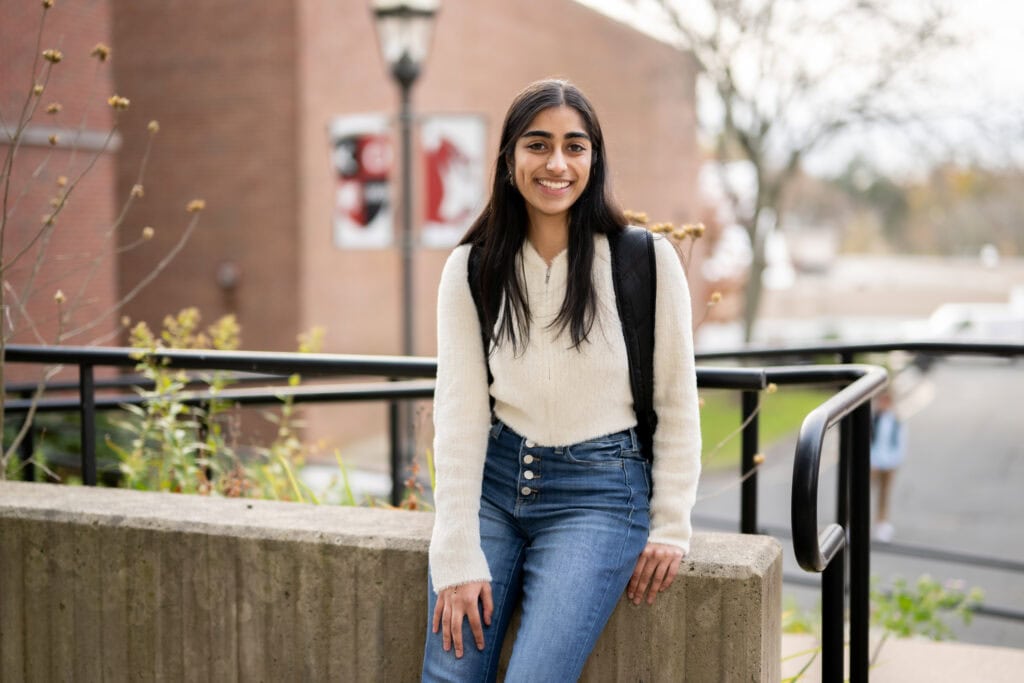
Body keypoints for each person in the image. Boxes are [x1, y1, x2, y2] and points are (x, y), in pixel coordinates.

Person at [421, 79, 702, 682]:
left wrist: (672, 525)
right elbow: (461, 414)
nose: (556, 164)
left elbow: (677, 400)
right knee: (449, 675)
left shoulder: (645, 261)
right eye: (537, 145)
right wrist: (455, 550)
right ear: (509, 159)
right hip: (495, 487)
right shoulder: (471, 267)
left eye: (575, 147)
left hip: (599, 497)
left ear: (594, 160)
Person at [870, 390, 906, 543]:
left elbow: (901, 442)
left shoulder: (895, 420)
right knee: (863, 493)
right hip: (873, 462)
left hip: (889, 462)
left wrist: (895, 461)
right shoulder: (873, 419)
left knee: (884, 495)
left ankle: (882, 524)